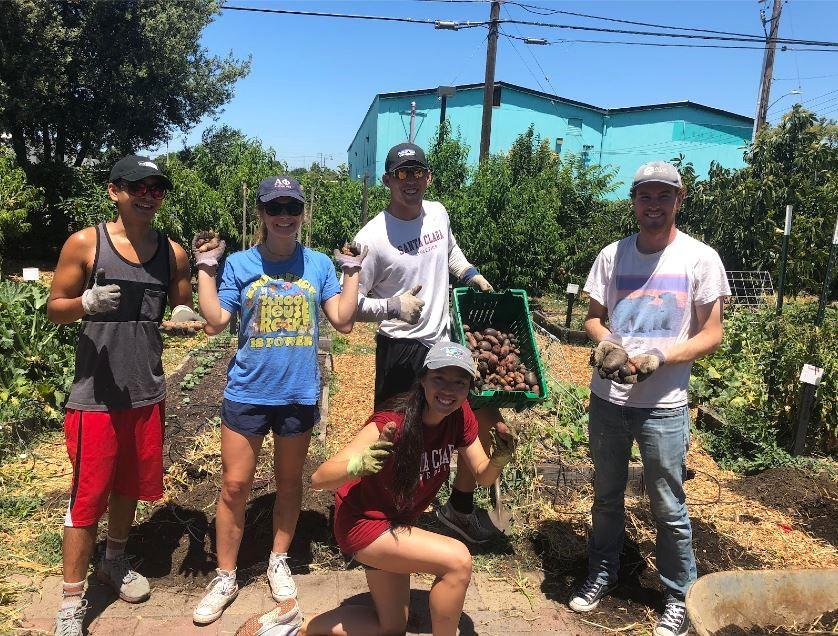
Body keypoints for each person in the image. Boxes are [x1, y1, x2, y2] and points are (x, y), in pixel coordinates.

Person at [190, 175, 366, 625]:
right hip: (248, 392)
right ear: (263, 215)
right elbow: (214, 322)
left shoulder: (320, 265)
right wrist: (206, 269)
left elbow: (344, 323)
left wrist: (351, 272)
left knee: (289, 483)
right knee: (234, 486)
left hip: (297, 393)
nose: (284, 217)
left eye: (292, 208)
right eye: (275, 208)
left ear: (301, 213)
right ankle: (226, 575)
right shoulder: (240, 264)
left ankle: (278, 560)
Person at [569, 161, 730, 636]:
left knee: (668, 503)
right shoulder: (612, 255)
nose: (653, 205)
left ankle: (680, 594)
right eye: (645, 196)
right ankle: (604, 569)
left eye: (663, 196)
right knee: (606, 493)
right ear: (634, 202)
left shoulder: (699, 258)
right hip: (609, 399)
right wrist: (606, 343)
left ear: (679, 200)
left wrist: (662, 356)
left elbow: (712, 334)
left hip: (664, 405)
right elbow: (594, 317)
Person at [47, 155, 194, 635]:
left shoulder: (170, 252)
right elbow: (54, 309)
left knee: (130, 485)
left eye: (157, 188)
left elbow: (182, 303)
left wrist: (189, 310)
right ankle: (71, 604)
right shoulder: (87, 243)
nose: (149, 195)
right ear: (115, 190)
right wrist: (85, 303)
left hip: (146, 391)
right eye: (139, 187)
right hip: (96, 397)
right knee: (86, 498)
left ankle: (113, 559)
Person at [297, 341, 515, 636]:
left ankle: (302, 627)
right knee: (458, 561)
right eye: (440, 378)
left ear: (468, 389)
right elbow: (319, 478)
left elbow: (483, 476)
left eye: (459, 382)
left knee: (391, 628)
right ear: (423, 379)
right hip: (363, 525)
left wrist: (499, 459)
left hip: (395, 524)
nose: (448, 390)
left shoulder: (461, 415)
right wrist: (357, 465)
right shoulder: (392, 422)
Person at [352, 141, 506, 545]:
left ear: (428, 177)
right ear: (387, 180)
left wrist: (471, 275)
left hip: (443, 345)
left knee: (459, 427)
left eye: (418, 172)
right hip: (401, 350)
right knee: (396, 436)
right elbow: (348, 305)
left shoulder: (438, 212)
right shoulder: (372, 237)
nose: (411, 181)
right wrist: (392, 306)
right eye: (402, 174)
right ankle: (379, 519)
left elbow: (451, 253)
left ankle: (457, 508)